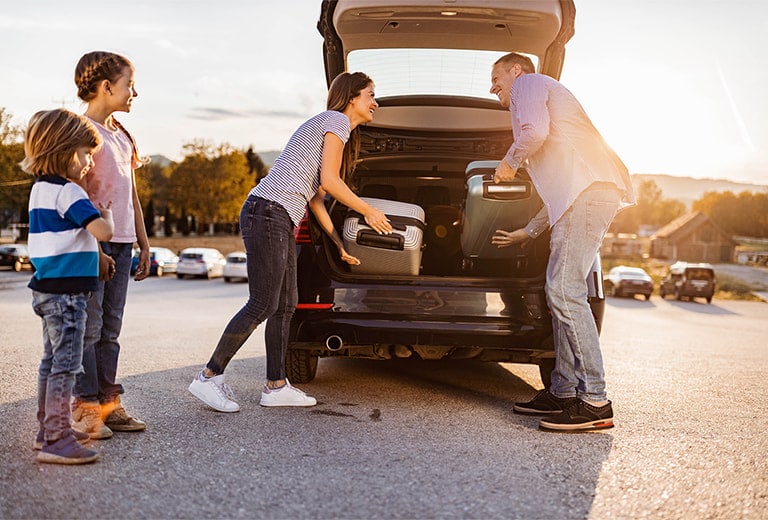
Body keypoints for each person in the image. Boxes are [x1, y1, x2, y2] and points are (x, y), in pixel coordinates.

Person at [188, 71, 392, 412]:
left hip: (276, 214)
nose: (376, 102)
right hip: (268, 211)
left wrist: (339, 245)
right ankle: (209, 376)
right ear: (352, 96)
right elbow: (330, 180)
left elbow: (316, 198)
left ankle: (276, 385)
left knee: (286, 305)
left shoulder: (330, 128)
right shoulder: (336, 121)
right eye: (371, 94)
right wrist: (368, 210)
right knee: (263, 303)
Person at [488, 52, 635, 432]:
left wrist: (509, 162)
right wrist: (529, 231)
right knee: (562, 292)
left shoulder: (529, 84)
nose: (493, 88)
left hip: (589, 194)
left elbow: (532, 133)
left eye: (496, 77)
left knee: (565, 292)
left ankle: (595, 400)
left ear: (516, 70)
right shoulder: (544, 102)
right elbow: (559, 194)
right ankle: (564, 391)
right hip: (584, 196)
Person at [22, 108, 115, 464]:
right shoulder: (69, 192)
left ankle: (48, 428)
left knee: (51, 362)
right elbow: (102, 232)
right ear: (63, 150)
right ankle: (57, 439)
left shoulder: (40, 190)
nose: (90, 162)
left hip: (46, 291)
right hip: (69, 296)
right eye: (85, 154)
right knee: (67, 365)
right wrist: (105, 214)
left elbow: (67, 239)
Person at [71, 51, 151, 439]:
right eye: (129, 85)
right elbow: (79, 194)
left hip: (123, 245)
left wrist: (144, 242)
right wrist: (95, 248)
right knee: (89, 328)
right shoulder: (81, 132)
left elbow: (130, 195)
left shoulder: (122, 134)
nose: (134, 92)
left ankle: (109, 403)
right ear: (107, 87)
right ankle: (85, 410)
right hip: (93, 245)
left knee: (111, 330)